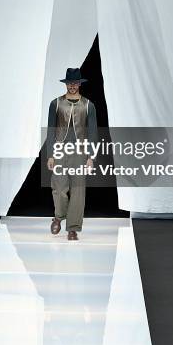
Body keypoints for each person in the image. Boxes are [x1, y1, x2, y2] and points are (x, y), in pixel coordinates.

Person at [46, 67, 98, 240]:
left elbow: (93, 132)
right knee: (59, 188)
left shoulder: (89, 105)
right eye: (70, 83)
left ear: (79, 84)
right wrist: (50, 155)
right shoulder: (56, 103)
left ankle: (73, 228)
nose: (72, 86)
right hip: (60, 151)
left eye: (75, 83)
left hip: (80, 152)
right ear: (66, 84)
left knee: (78, 190)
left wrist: (91, 156)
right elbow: (51, 130)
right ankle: (58, 217)